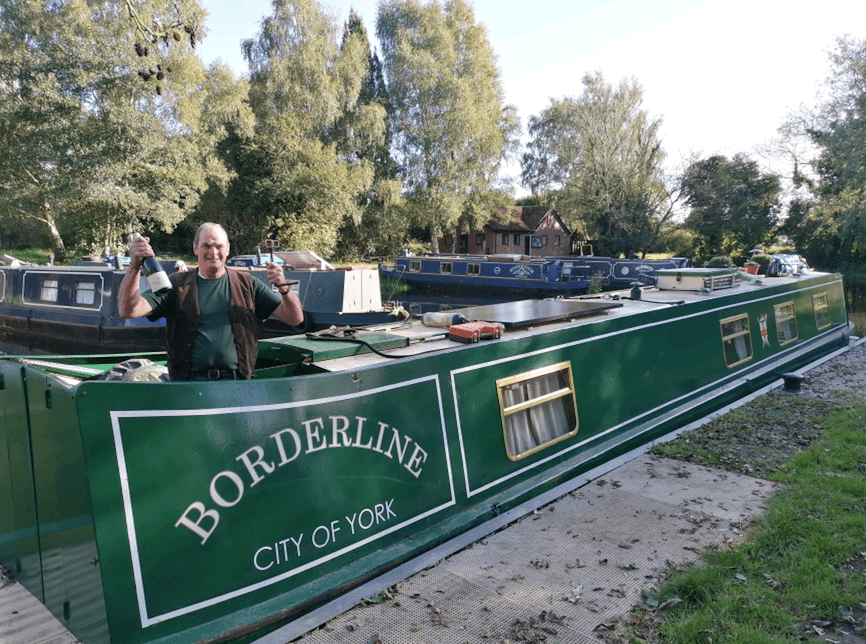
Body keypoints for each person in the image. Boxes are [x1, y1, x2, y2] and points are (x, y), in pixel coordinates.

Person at [118, 223, 304, 381]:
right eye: (206, 246)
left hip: (236, 382)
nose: (213, 252)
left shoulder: (247, 284)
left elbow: (295, 318)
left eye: (218, 246)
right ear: (195, 249)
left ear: (228, 249)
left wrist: (283, 287)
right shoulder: (177, 285)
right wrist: (135, 267)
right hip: (188, 384)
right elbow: (129, 310)